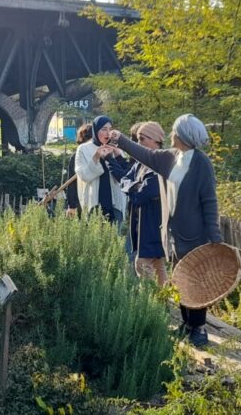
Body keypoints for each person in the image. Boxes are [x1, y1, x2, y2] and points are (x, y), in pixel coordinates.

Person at [110, 114, 222, 347]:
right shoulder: (171, 157)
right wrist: (120, 139)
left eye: (174, 131)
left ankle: (199, 327)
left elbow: (209, 202)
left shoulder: (202, 164)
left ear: (183, 136)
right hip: (173, 235)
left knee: (196, 281)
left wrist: (215, 238)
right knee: (180, 279)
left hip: (196, 235)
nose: (170, 135)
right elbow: (145, 154)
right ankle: (187, 323)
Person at [122, 122, 168, 286]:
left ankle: (151, 302)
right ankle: (163, 302)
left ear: (155, 139)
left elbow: (143, 195)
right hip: (142, 223)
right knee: (157, 264)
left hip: (155, 223)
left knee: (141, 264)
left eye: (142, 139)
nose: (138, 144)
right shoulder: (141, 162)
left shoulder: (161, 163)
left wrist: (133, 188)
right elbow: (124, 180)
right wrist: (135, 186)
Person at [74, 116, 128, 222]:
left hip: (116, 203)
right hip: (94, 204)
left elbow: (125, 176)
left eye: (110, 129)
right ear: (95, 130)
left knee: (116, 236)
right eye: (104, 129)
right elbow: (84, 176)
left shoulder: (116, 148)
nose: (108, 133)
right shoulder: (83, 149)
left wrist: (117, 155)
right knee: (96, 237)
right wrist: (96, 157)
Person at [64, 124, 93, 218]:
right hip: (79, 199)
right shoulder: (77, 156)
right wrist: (71, 205)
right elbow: (71, 182)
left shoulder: (100, 154)